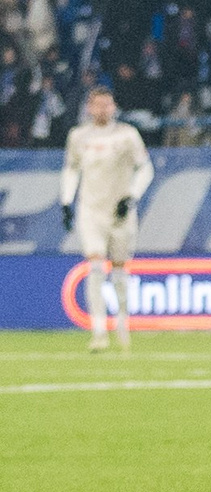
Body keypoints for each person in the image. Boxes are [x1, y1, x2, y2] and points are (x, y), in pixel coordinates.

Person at [60, 86, 154, 353]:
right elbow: (71, 169)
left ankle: (122, 322)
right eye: (97, 104)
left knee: (120, 272)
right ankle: (99, 330)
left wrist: (131, 196)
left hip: (119, 212)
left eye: (107, 104)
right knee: (95, 265)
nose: (102, 109)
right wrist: (66, 200)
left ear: (114, 107)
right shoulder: (78, 136)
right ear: (89, 107)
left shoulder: (127, 135)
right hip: (91, 210)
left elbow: (146, 168)